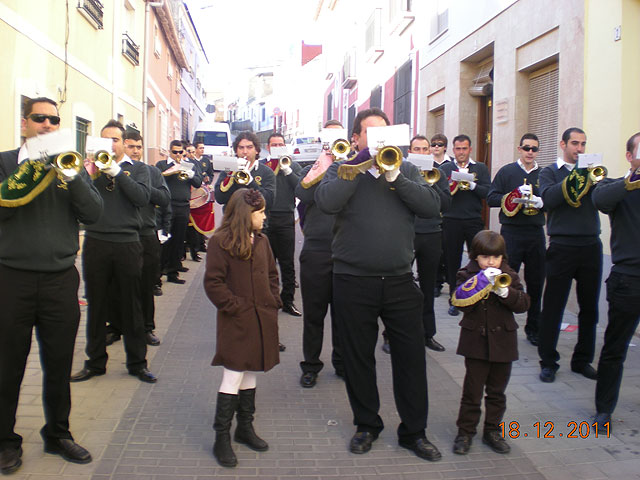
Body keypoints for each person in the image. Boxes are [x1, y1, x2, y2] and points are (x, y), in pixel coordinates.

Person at [316, 108, 442, 461]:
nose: (378, 142)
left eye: (383, 135)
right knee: (358, 358)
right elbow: (326, 202)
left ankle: (414, 432)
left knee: (411, 359)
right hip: (352, 280)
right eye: (370, 135)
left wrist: (395, 176)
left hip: (400, 280)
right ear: (356, 139)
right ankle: (367, 424)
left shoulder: (408, 169)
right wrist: (357, 167)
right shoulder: (343, 169)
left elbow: (432, 206)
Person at [0, 97, 101, 473]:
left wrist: (72, 176)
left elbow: (93, 214)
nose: (47, 124)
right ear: (24, 123)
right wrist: (33, 167)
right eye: (39, 118)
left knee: (58, 364)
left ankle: (58, 434)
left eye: (54, 120)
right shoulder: (6, 162)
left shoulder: (68, 168)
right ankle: (5, 441)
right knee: (7, 365)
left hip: (60, 279)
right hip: (11, 279)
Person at [71, 120, 157, 384]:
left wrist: (116, 171)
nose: (110, 144)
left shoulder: (139, 169)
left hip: (127, 243)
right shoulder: (91, 170)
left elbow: (142, 198)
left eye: (115, 140)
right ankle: (95, 362)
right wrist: (86, 173)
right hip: (96, 242)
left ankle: (137, 363)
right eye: (105, 140)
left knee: (131, 304)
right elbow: (79, 201)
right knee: (97, 305)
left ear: (123, 143)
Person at [203, 188, 281, 468]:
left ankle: (245, 428)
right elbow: (213, 283)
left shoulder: (262, 241)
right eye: (260, 212)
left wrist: (273, 300)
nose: (264, 216)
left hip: (262, 318)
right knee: (233, 375)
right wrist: (235, 307)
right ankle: (221, 436)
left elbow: (272, 274)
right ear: (246, 214)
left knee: (250, 371)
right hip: (237, 320)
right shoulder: (221, 241)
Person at [450, 230, 530, 455]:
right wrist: (479, 284)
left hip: (504, 341)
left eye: (495, 257)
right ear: (476, 256)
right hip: (475, 341)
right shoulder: (466, 274)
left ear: (502, 257)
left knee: (497, 392)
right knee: (472, 392)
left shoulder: (510, 275)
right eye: (485, 257)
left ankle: (492, 430)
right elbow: (459, 303)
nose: (491, 262)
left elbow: (524, 304)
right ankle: (465, 432)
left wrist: (505, 292)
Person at [537, 127, 601, 383]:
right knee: (554, 305)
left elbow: (603, 200)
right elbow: (549, 199)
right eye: (575, 143)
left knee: (589, 308)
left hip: (590, 245)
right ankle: (548, 361)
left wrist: (594, 178)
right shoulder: (550, 172)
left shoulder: (592, 171)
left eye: (583, 144)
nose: (580, 149)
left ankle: (582, 360)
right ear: (562, 144)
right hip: (562, 245)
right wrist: (578, 175)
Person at [591, 132, 640, 430]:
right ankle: (604, 409)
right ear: (629, 156)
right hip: (628, 280)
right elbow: (600, 200)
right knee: (614, 348)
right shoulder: (618, 187)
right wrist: (630, 180)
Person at [296, 120, 346, 388]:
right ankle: (311, 365)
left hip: (345, 251)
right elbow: (302, 192)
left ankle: (341, 362)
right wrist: (324, 162)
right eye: (329, 138)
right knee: (314, 315)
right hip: (315, 250)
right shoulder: (310, 169)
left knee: (342, 315)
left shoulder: (351, 169)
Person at [487, 133, 545, 346]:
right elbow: (491, 198)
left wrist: (541, 202)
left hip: (535, 233)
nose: (530, 152)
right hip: (511, 233)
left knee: (536, 282)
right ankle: (502, 325)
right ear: (519, 149)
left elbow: (551, 199)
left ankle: (534, 328)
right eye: (527, 148)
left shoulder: (544, 173)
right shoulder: (507, 171)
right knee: (506, 280)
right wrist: (512, 196)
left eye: (534, 149)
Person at [124, 130, 170, 346]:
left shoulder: (152, 172)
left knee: (146, 286)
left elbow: (164, 198)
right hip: (123, 236)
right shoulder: (113, 169)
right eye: (130, 146)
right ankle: (116, 327)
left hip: (146, 234)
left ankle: (147, 328)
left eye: (138, 147)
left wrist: (141, 185)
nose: (135, 151)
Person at [440, 135, 491, 316]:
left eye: (464, 148)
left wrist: (472, 186)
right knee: (452, 261)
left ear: (470, 149)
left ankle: (476, 295)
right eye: (458, 149)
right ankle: (455, 298)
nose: (461, 152)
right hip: (451, 220)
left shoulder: (481, 168)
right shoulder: (446, 167)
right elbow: (439, 193)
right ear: (453, 150)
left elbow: (487, 192)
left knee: (477, 259)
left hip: (473, 220)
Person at [411, 135, 452, 352]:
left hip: (432, 234)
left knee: (428, 286)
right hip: (407, 234)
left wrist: (432, 183)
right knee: (398, 287)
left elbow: (446, 204)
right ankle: (390, 335)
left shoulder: (439, 174)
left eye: (424, 149)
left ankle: (428, 334)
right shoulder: (402, 172)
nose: (421, 152)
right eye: (416, 148)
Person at [262, 133, 303, 316]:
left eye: (280, 144)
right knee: (266, 263)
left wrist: (288, 170)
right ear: (268, 147)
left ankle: (288, 300)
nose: (277, 146)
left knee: (287, 263)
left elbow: (301, 189)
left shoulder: (292, 165)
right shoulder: (263, 165)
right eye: (274, 144)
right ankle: (268, 301)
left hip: (285, 218)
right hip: (265, 218)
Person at [156, 140, 202, 283]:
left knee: (178, 241)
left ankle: (173, 272)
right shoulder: (162, 165)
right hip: (167, 206)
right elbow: (157, 179)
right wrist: (171, 171)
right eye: (174, 152)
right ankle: (157, 276)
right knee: (163, 241)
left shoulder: (189, 165)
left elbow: (198, 182)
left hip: (183, 206)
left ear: (184, 152)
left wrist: (191, 175)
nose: (177, 155)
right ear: (169, 151)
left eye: (180, 152)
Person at [214, 131, 276, 211]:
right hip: (232, 221)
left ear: (256, 150)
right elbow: (220, 199)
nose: (245, 152)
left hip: (256, 221)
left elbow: (269, 202)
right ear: (236, 151)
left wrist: (250, 182)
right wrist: (232, 175)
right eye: (241, 148)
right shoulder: (228, 170)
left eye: (249, 147)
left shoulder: (267, 172)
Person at [430, 133, 452, 297]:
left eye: (440, 144)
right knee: (436, 252)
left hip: (450, 214)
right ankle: (436, 282)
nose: (436, 147)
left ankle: (450, 281)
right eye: (434, 144)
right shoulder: (426, 163)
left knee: (447, 251)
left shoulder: (451, 164)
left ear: (445, 147)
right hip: (431, 215)